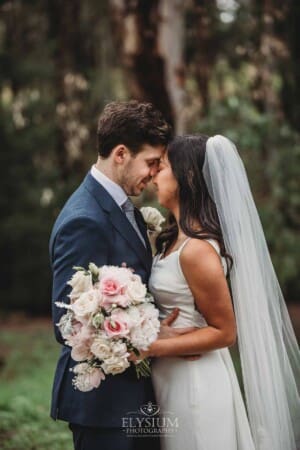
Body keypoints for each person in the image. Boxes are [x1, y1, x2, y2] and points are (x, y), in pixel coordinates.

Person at [136, 134, 300, 450]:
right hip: (174, 376)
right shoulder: (174, 240)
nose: (155, 174)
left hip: (197, 383)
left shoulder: (197, 250)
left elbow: (225, 332)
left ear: (188, 177)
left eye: (164, 166)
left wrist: (152, 346)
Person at [49, 100, 176, 450]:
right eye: (151, 162)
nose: (154, 173)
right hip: (103, 406)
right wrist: (149, 335)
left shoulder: (125, 209)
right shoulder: (84, 220)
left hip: (133, 397)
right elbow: (67, 323)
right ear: (121, 153)